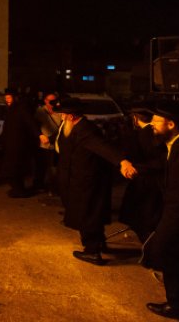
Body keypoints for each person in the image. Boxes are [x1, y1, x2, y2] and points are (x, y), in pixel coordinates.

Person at [54, 97, 133, 266]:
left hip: (85, 183)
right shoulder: (72, 126)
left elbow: (104, 147)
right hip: (76, 179)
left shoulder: (85, 130)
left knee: (87, 215)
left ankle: (92, 251)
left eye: (63, 114)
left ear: (72, 116)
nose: (61, 116)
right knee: (87, 214)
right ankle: (99, 244)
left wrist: (122, 161)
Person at [138, 100, 179, 320]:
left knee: (172, 256)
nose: (151, 125)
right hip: (178, 213)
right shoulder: (175, 144)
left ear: (171, 124)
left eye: (156, 121)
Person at [117, 104, 166, 243]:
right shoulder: (159, 134)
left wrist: (130, 167)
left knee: (141, 219)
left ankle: (150, 249)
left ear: (135, 119)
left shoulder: (136, 136)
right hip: (157, 182)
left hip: (143, 182)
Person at [1, 89, 47, 197]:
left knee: (15, 168)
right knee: (12, 168)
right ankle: (18, 189)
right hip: (11, 143)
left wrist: (39, 135)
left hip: (18, 144)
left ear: (15, 98)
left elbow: (30, 122)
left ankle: (20, 191)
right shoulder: (11, 109)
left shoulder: (21, 108)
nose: (7, 100)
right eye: (6, 98)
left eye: (9, 98)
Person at [33, 92, 62, 194]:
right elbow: (34, 126)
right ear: (45, 101)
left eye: (54, 100)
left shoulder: (60, 111)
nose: (52, 103)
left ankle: (53, 187)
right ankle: (38, 185)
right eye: (50, 101)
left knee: (54, 167)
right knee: (41, 166)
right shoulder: (40, 111)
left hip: (56, 144)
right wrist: (40, 136)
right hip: (43, 144)